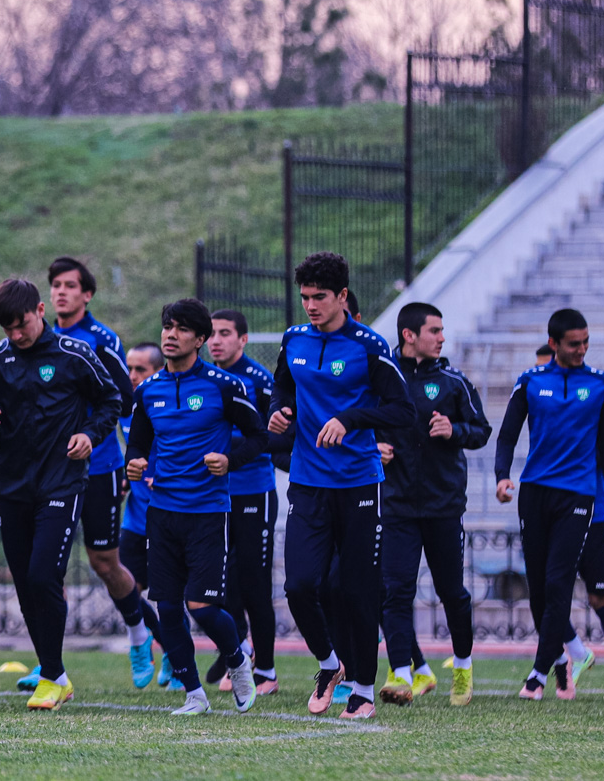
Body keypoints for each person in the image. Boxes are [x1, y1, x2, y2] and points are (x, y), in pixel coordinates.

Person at [266, 252, 414, 720]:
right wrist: (280, 410)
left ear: (342, 297)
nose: (310, 305)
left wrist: (349, 420)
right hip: (308, 481)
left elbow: (402, 412)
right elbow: (283, 386)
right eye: (305, 297)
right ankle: (330, 664)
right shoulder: (294, 339)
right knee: (299, 585)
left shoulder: (369, 347)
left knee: (356, 590)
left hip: (359, 484)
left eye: (319, 297)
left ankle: (363, 691)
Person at [0, 278, 123, 710]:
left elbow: (112, 400)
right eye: (8, 329)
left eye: (21, 325)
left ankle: (52, 676)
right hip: (13, 487)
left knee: (42, 576)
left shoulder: (75, 355)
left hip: (62, 482)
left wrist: (90, 435)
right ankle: (53, 673)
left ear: (39, 310)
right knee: (25, 584)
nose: (16, 335)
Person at [124, 299, 266, 715]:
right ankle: (194, 695)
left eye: (182, 328)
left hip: (207, 510)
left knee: (201, 606)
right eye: (167, 326)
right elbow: (138, 441)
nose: (171, 334)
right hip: (162, 511)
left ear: (200, 340)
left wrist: (230, 460)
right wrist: (135, 461)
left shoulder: (224, 386)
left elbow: (259, 438)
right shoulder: (148, 391)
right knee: (167, 606)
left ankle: (238, 657)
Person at [33, 256, 152, 689]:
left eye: (69, 285)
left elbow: (124, 398)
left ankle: (139, 632)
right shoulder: (38, 338)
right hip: (50, 471)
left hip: (99, 467)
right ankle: (49, 662)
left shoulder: (102, 340)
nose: (61, 292)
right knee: (49, 566)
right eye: (55, 285)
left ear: (87, 294)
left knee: (105, 562)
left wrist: (91, 432)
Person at [492, 308, 604, 701]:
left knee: (558, 581)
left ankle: (537, 673)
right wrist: (502, 475)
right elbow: (507, 435)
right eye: (573, 344)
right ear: (554, 344)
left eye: (585, 343)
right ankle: (563, 661)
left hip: (578, 496)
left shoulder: (602, 386)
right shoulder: (530, 383)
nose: (581, 350)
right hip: (534, 492)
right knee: (538, 588)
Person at [377, 302, 489, 707]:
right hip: (395, 505)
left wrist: (453, 429)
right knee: (396, 591)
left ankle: (462, 666)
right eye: (435, 331)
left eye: (442, 331)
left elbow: (481, 431)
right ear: (409, 335)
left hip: (443, 506)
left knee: (452, 592)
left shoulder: (453, 381)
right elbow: (357, 423)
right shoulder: (381, 378)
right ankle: (401, 675)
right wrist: (373, 449)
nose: (442, 338)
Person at [203, 309, 281, 696]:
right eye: (212, 334)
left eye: (225, 333)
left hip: (253, 493)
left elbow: (269, 436)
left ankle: (266, 670)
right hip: (214, 496)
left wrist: (226, 450)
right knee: (221, 584)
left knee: (254, 584)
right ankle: (241, 651)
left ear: (243, 339)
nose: (216, 340)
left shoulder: (258, 380)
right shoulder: (203, 380)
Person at [118, 342, 170, 688]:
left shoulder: (168, 403)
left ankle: (175, 657)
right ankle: (145, 642)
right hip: (135, 518)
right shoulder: (126, 407)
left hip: (169, 514)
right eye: (130, 369)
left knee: (168, 595)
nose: (133, 376)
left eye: (141, 370)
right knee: (124, 588)